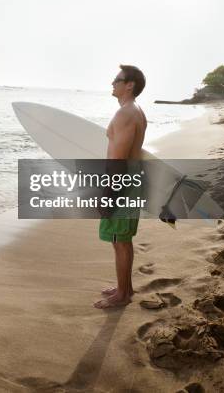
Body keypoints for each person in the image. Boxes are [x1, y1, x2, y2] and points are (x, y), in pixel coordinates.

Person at [94, 64, 147, 309]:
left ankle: (122, 295)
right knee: (122, 239)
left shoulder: (125, 114)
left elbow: (119, 160)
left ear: (130, 85)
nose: (112, 83)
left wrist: (108, 195)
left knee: (119, 239)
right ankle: (125, 287)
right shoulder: (134, 111)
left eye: (117, 79)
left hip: (123, 182)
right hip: (131, 180)